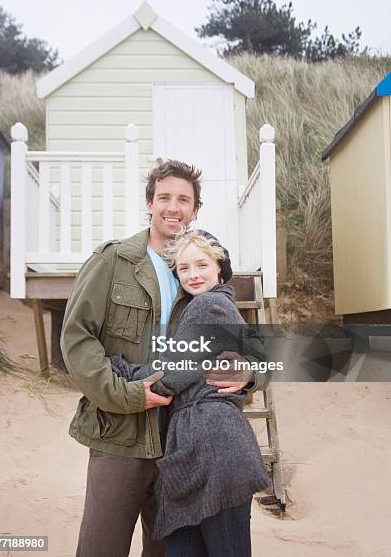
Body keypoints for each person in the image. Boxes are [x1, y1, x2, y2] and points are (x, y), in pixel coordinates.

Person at [60, 159, 266, 557]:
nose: (174, 207)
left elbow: (249, 346)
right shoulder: (113, 261)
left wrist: (250, 375)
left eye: (183, 200)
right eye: (164, 197)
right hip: (119, 434)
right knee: (101, 548)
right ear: (149, 204)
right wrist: (127, 392)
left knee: (165, 551)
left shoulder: (199, 269)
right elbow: (77, 338)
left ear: (195, 210)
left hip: (180, 447)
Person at [111, 231, 271, 556]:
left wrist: (116, 367)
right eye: (184, 269)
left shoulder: (209, 307)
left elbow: (167, 377)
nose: (193, 275)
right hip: (197, 449)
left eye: (202, 265)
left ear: (220, 269)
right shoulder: (212, 306)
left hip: (216, 447)